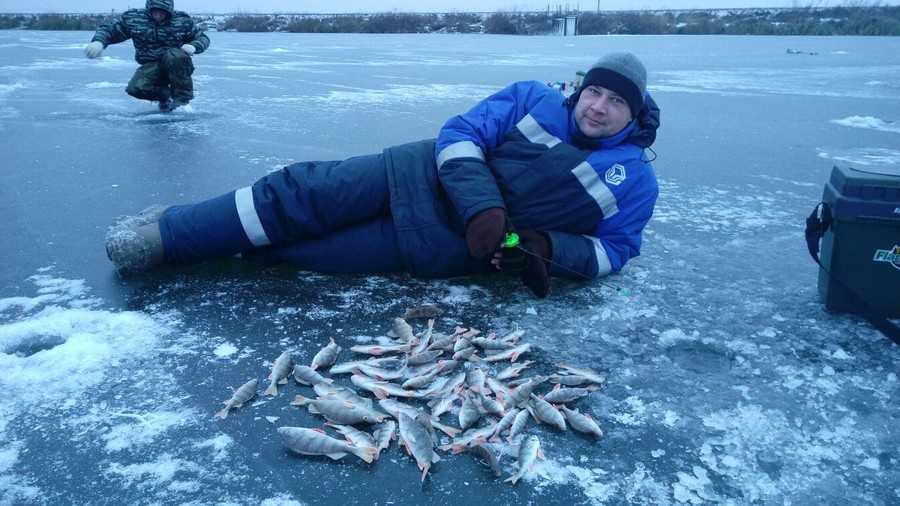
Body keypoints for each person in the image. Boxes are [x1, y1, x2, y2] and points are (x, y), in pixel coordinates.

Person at [105, 52, 660, 298]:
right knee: (298, 194)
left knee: (316, 253)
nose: (598, 107)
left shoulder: (635, 181)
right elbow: (460, 134)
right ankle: (167, 234)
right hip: (413, 173)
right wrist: (484, 208)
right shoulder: (534, 98)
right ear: (580, 89)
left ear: (632, 114)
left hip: (442, 244)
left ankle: (203, 233)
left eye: (616, 101)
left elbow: (616, 250)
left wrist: (541, 248)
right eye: (594, 91)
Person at [84, 0, 209, 110]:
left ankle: (182, 102)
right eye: (155, 11)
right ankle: (166, 95)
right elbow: (111, 30)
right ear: (149, 8)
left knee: (173, 55)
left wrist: (194, 46)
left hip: (177, 65)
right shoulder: (134, 19)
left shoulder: (182, 20)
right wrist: (99, 42)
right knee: (135, 88)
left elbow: (202, 38)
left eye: (162, 12)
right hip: (150, 66)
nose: (159, 15)